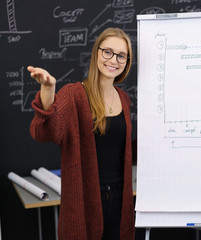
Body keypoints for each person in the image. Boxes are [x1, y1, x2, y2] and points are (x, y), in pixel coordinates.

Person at [28, 28, 134, 240]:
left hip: (121, 202)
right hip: (84, 202)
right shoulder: (74, 94)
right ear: (97, 53)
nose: (114, 60)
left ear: (126, 61)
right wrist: (48, 91)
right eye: (108, 52)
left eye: (121, 55)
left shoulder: (124, 99)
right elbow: (43, 132)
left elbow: (120, 148)